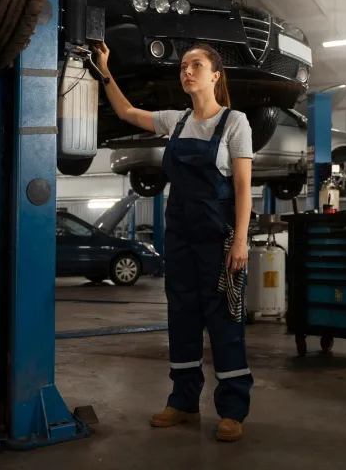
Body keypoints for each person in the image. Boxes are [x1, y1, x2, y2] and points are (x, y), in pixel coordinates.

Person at [92, 41, 253, 442]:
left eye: (196, 65)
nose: (187, 71)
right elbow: (127, 112)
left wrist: (241, 243)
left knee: (224, 323)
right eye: (183, 66)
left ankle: (233, 410)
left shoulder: (235, 123)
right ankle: (182, 402)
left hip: (218, 241)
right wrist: (105, 70)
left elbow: (244, 189)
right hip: (180, 239)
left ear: (215, 75)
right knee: (181, 318)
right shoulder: (174, 121)